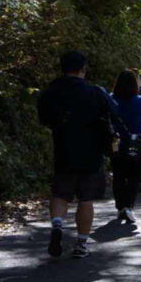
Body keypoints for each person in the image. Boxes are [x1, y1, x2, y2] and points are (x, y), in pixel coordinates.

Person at [37, 50, 114, 259]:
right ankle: (81, 244)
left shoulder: (51, 92)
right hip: (91, 154)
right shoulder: (95, 92)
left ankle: (57, 225)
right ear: (83, 69)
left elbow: (44, 119)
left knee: (60, 194)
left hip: (63, 150)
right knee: (85, 199)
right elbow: (111, 113)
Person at [109, 70, 141, 225]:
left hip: (117, 141)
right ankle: (129, 206)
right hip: (136, 141)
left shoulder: (111, 100)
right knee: (134, 175)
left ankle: (120, 206)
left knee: (119, 175)